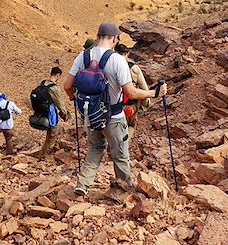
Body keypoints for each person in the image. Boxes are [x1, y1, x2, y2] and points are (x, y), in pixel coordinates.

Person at [63, 22, 167, 197]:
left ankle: (83, 184)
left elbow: (67, 86)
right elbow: (130, 92)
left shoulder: (83, 57)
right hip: (114, 116)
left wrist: (75, 99)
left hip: (90, 115)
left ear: (97, 38)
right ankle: (123, 189)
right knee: (120, 154)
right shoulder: (118, 60)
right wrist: (154, 93)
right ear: (115, 39)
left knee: (95, 149)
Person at [115, 43, 161, 143]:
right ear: (127, 54)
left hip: (114, 105)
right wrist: (146, 103)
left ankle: (112, 150)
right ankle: (124, 146)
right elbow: (143, 87)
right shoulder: (134, 68)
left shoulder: (110, 65)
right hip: (131, 105)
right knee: (131, 125)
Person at [32, 67, 70, 158]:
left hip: (42, 114)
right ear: (57, 75)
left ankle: (41, 156)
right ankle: (44, 158)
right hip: (51, 115)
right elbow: (60, 103)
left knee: (48, 137)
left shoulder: (43, 83)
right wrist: (65, 114)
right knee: (52, 137)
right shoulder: (54, 88)